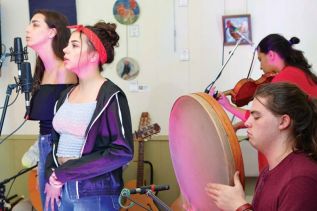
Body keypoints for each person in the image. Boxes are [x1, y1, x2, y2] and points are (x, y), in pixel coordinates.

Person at [44, 21, 134, 211]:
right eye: (68, 45)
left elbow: (122, 151)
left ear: (94, 55)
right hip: (64, 189)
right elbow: (55, 142)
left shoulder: (111, 96)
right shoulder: (64, 96)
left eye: (74, 45)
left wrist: (66, 172)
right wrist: (52, 176)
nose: (65, 50)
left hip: (94, 194)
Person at [212, 34, 317, 171]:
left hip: (290, 158)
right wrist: (239, 125)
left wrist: (227, 106)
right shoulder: (300, 73)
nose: (261, 67)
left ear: (271, 55)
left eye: (260, 59)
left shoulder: (284, 78)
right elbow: (280, 115)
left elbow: (266, 117)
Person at [205, 82, 317, 211]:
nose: (247, 123)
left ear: (283, 121)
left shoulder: (300, 179)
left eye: (256, 117)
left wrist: (239, 207)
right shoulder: (268, 171)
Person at [25, 9, 77, 210]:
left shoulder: (64, 71)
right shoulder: (43, 70)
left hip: (57, 149)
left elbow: (68, 127)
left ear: (52, 32)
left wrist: (54, 168)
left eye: (35, 24)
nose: (28, 29)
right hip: (44, 147)